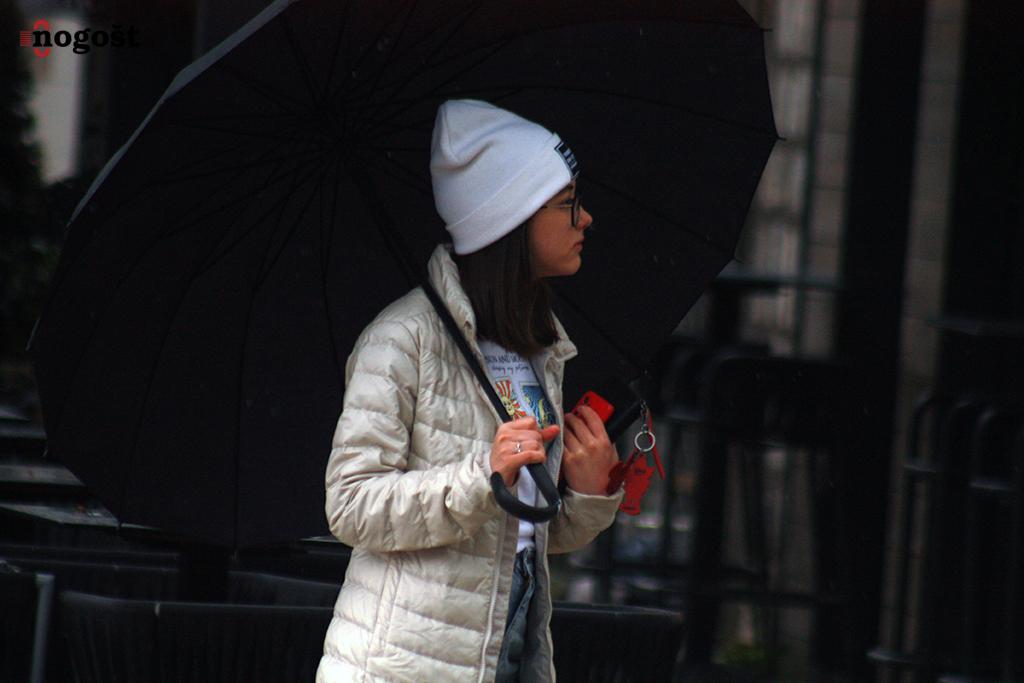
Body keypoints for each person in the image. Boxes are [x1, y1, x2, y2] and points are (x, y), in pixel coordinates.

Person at [316, 99, 625, 683]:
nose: (585, 218)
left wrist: (588, 493)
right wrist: (482, 474)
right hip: (402, 666)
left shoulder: (538, 344)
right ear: (510, 217)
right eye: (566, 203)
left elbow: (523, 532)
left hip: (509, 646)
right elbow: (351, 507)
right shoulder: (402, 339)